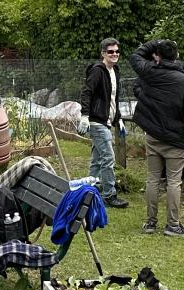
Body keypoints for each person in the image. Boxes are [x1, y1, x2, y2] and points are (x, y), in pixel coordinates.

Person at [128, 39, 184, 236]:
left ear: (158, 55)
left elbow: (135, 56)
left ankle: (150, 223)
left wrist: (155, 43)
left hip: (153, 135)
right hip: (176, 138)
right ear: (177, 55)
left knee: (152, 179)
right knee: (174, 182)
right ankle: (173, 225)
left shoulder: (149, 72)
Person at [78, 38, 129, 208]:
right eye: (110, 52)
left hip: (107, 121)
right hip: (96, 121)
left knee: (98, 159)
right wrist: (84, 116)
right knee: (108, 158)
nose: (114, 54)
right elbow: (86, 92)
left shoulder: (115, 70)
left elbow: (113, 99)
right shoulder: (98, 71)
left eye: (117, 51)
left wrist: (118, 119)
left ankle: (89, 190)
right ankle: (109, 194)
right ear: (103, 54)